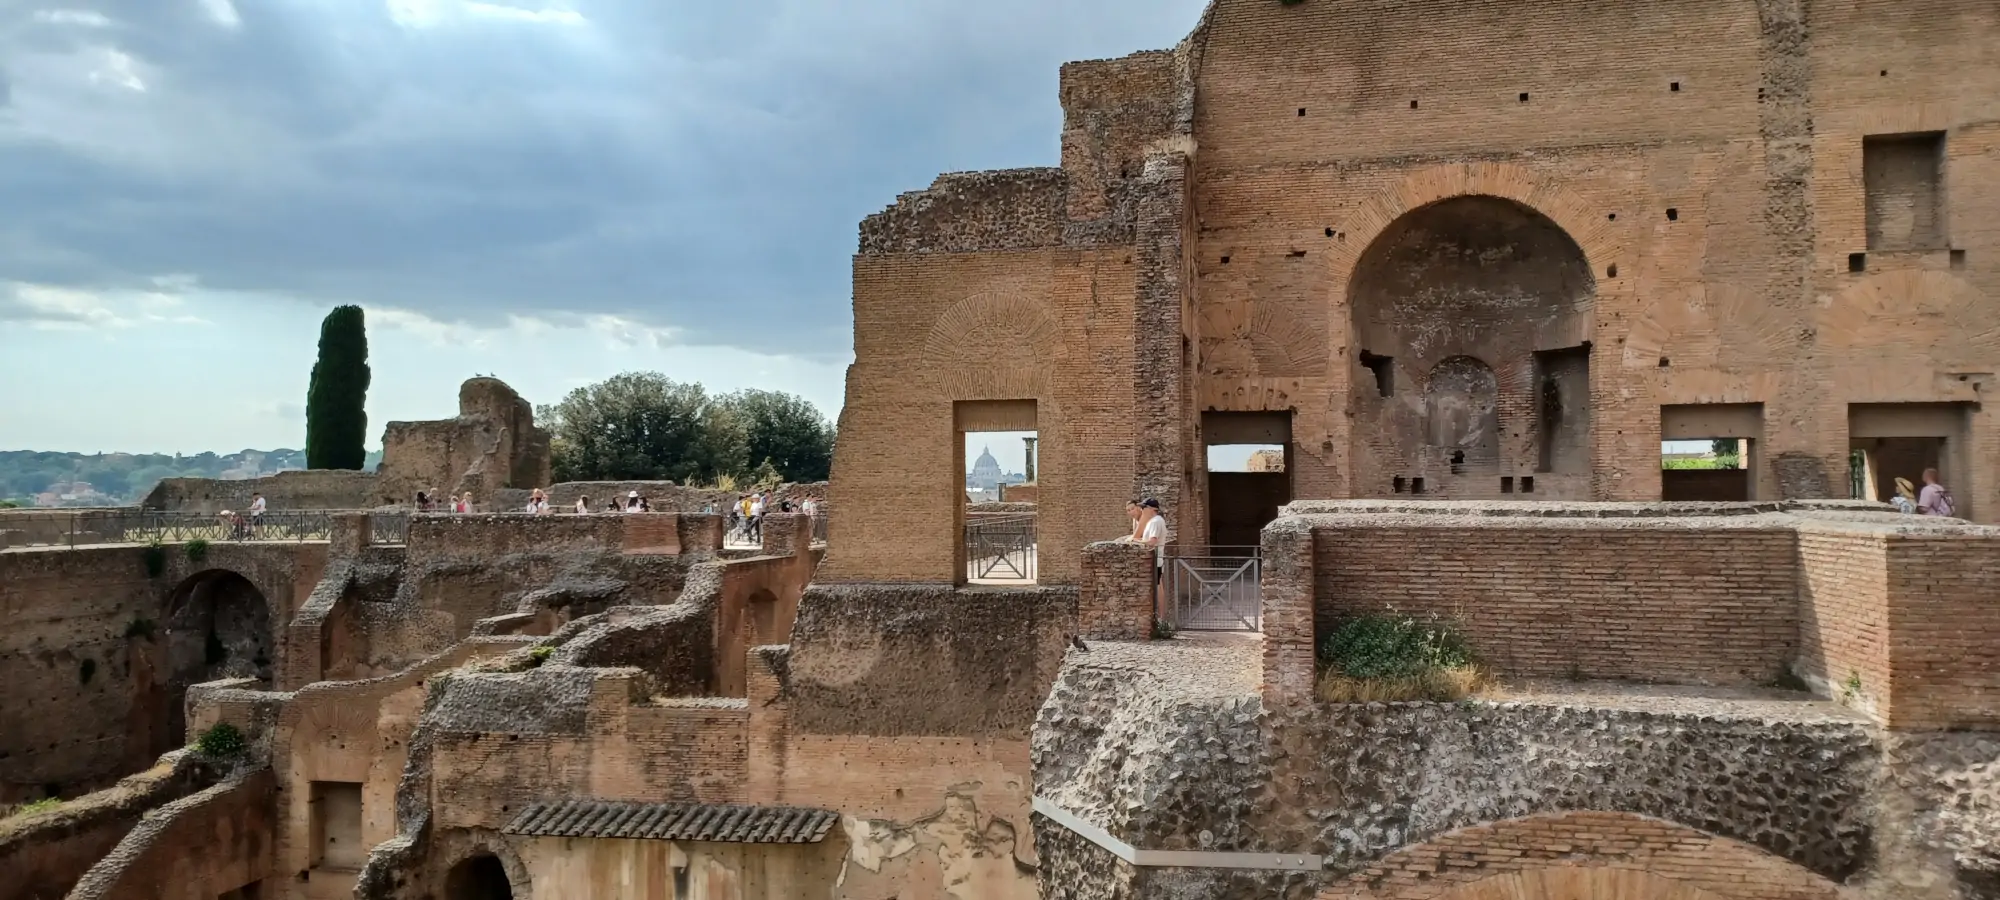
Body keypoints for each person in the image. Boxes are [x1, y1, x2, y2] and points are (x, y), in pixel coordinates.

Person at [1138, 499, 1170, 618]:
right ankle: (1160, 617)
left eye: (1144, 508)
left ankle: (1160, 617)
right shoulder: (1157, 521)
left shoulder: (1155, 522)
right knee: (1158, 586)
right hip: (1157, 559)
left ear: (1151, 509)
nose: (1142, 510)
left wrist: (1135, 541)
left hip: (1155, 560)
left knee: (1157, 587)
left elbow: (1152, 541)